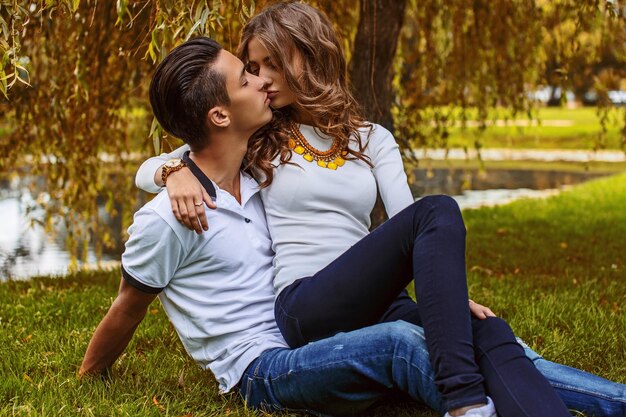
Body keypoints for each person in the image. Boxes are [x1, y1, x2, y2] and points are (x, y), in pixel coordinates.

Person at [83, 36, 626, 417]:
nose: (260, 82)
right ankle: (470, 405)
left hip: (316, 325)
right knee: (400, 342)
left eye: (261, 68)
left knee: (478, 333)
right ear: (222, 114)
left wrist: (171, 168)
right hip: (261, 366)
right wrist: (91, 380)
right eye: (247, 75)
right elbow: (127, 307)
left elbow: (188, 152)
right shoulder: (168, 219)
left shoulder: (256, 173)